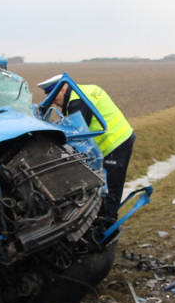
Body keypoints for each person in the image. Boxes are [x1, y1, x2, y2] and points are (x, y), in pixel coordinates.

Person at [37, 76, 135, 222]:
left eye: (54, 98)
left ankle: (107, 227)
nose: (54, 103)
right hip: (122, 136)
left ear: (62, 89)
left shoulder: (76, 102)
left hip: (114, 144)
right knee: (108, 186)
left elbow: (78, 135)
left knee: (110, 189)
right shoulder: (84, 90)